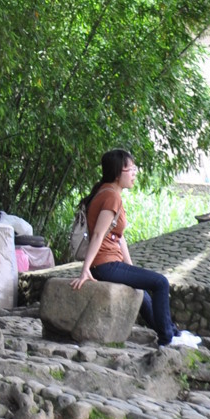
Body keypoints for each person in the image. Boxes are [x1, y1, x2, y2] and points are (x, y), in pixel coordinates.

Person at [74, 149, 200, 349]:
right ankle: (168, 339)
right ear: (117, 173)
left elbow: (119, 237)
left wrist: (131, 269)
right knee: (161, 283)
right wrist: (85, 270)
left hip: (110, 263)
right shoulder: (111, 196)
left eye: (135, 168)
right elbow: (98, 234)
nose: (135, 173)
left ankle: (172, 333)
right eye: (130, 169)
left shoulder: (108, 192)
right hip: (105, 264)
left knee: (142, 291)